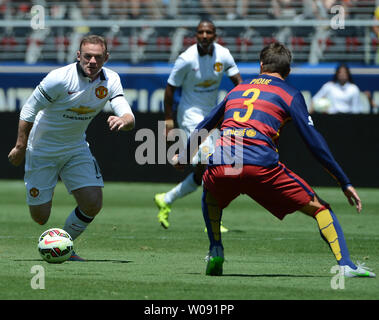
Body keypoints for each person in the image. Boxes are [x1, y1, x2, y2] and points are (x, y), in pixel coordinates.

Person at [172, 42, 375, 278]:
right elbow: (313, 141)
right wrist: (344, 181)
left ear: (261, 65)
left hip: (223, 164)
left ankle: (216, 249)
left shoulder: (237, 90)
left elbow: (205, 125)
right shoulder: (289, 93)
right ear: (288, 71)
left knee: (211, 196)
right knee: (320, 209)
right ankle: (346, 265)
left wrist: (185, 155)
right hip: (260, 166)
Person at [8, 35, 135, 261]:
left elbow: (125, 112)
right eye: (87, 56)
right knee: (40, 217)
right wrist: (20, 146)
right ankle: (48, 186)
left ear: (106, 58)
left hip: (75, 148)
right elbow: (29, 110)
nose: (92, 61)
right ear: (78, 56)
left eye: (98, 57)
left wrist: (125, 120)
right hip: (42, 150)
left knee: (93, 202)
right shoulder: (59, 78)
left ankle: (64, 245)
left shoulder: (111, 80)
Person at [154, 19, 242, 231]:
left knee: (204, 168)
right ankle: (213, 220)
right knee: (212, 162)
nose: (204, 35)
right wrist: (168, 119)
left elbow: (239, 84)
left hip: (212, 115)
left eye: (208, 32)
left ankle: (166, 198)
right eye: (201, 32)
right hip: (191, 116)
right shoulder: (186, 59)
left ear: (215, 35)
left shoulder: (223, 54)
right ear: (196, 35)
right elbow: (169, 89)